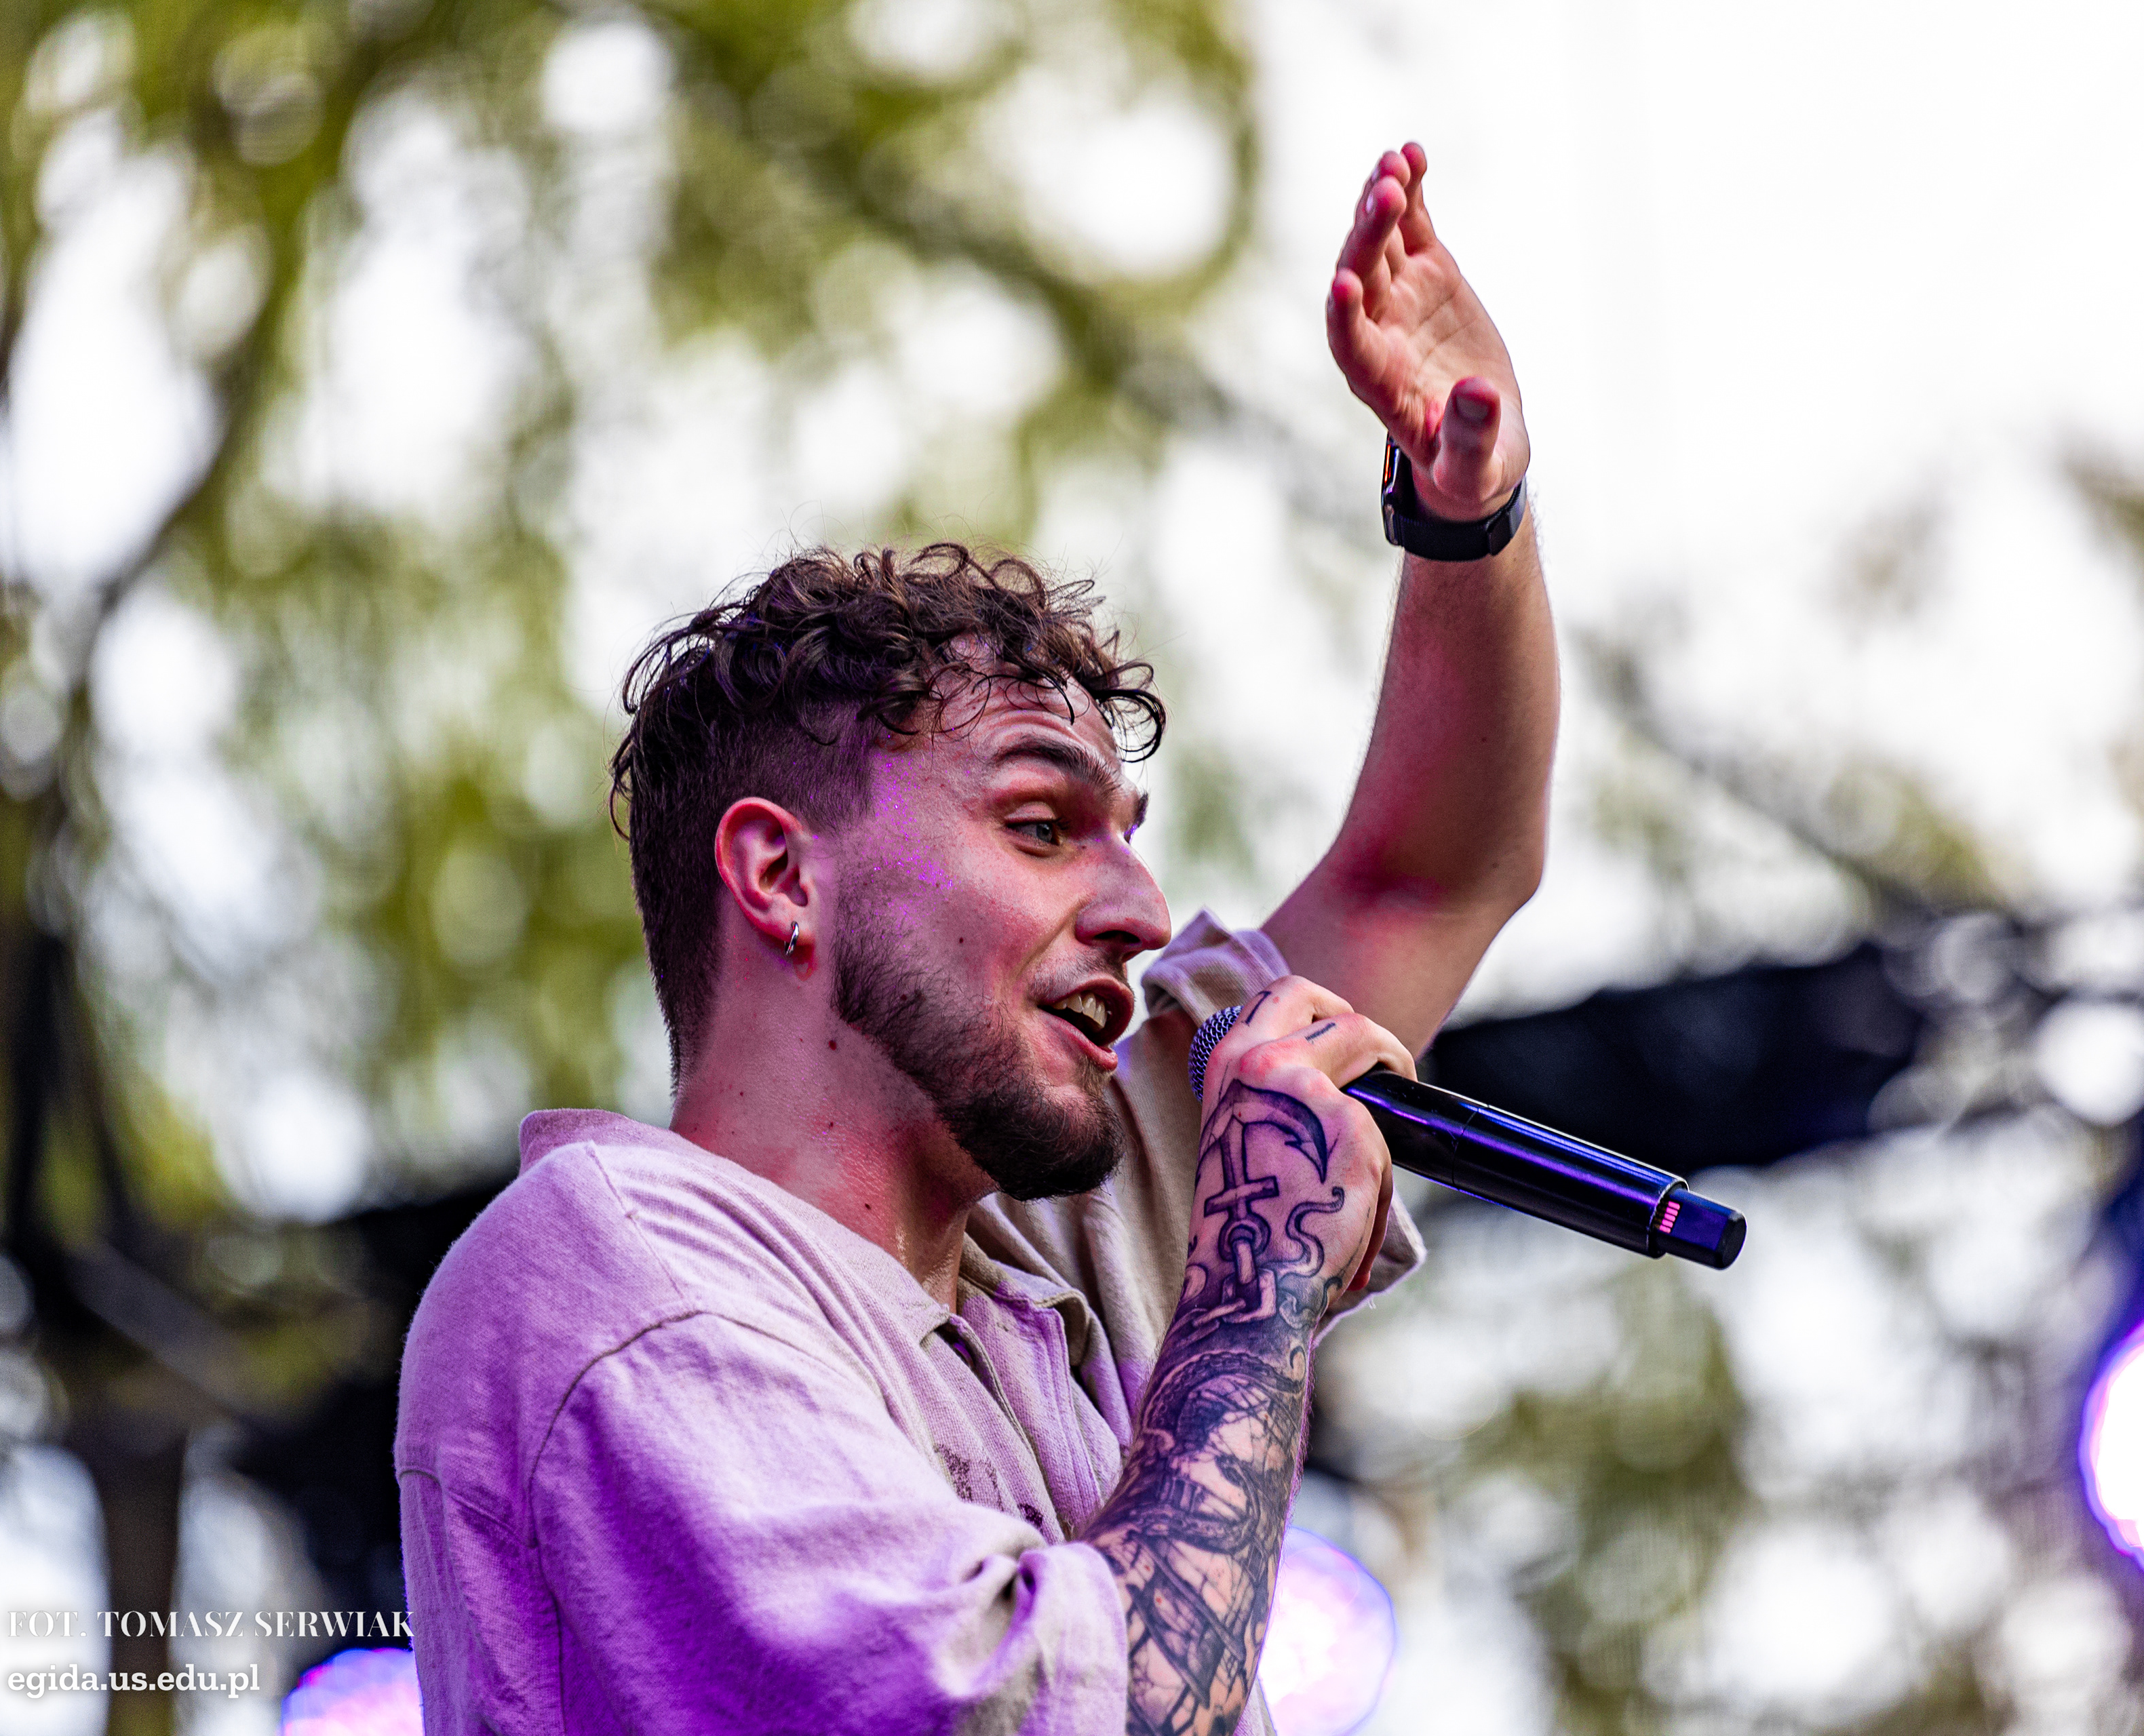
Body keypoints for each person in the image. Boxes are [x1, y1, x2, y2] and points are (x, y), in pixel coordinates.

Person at [395, 142, 1555, 1736]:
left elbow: (1427, 877)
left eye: (1127, 837)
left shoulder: (1037, 1255)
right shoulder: (619, 1276)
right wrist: (1256, 1272)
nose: (1141, 911)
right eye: (1040, 826)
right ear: (780, 878)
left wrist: (1466, 515)